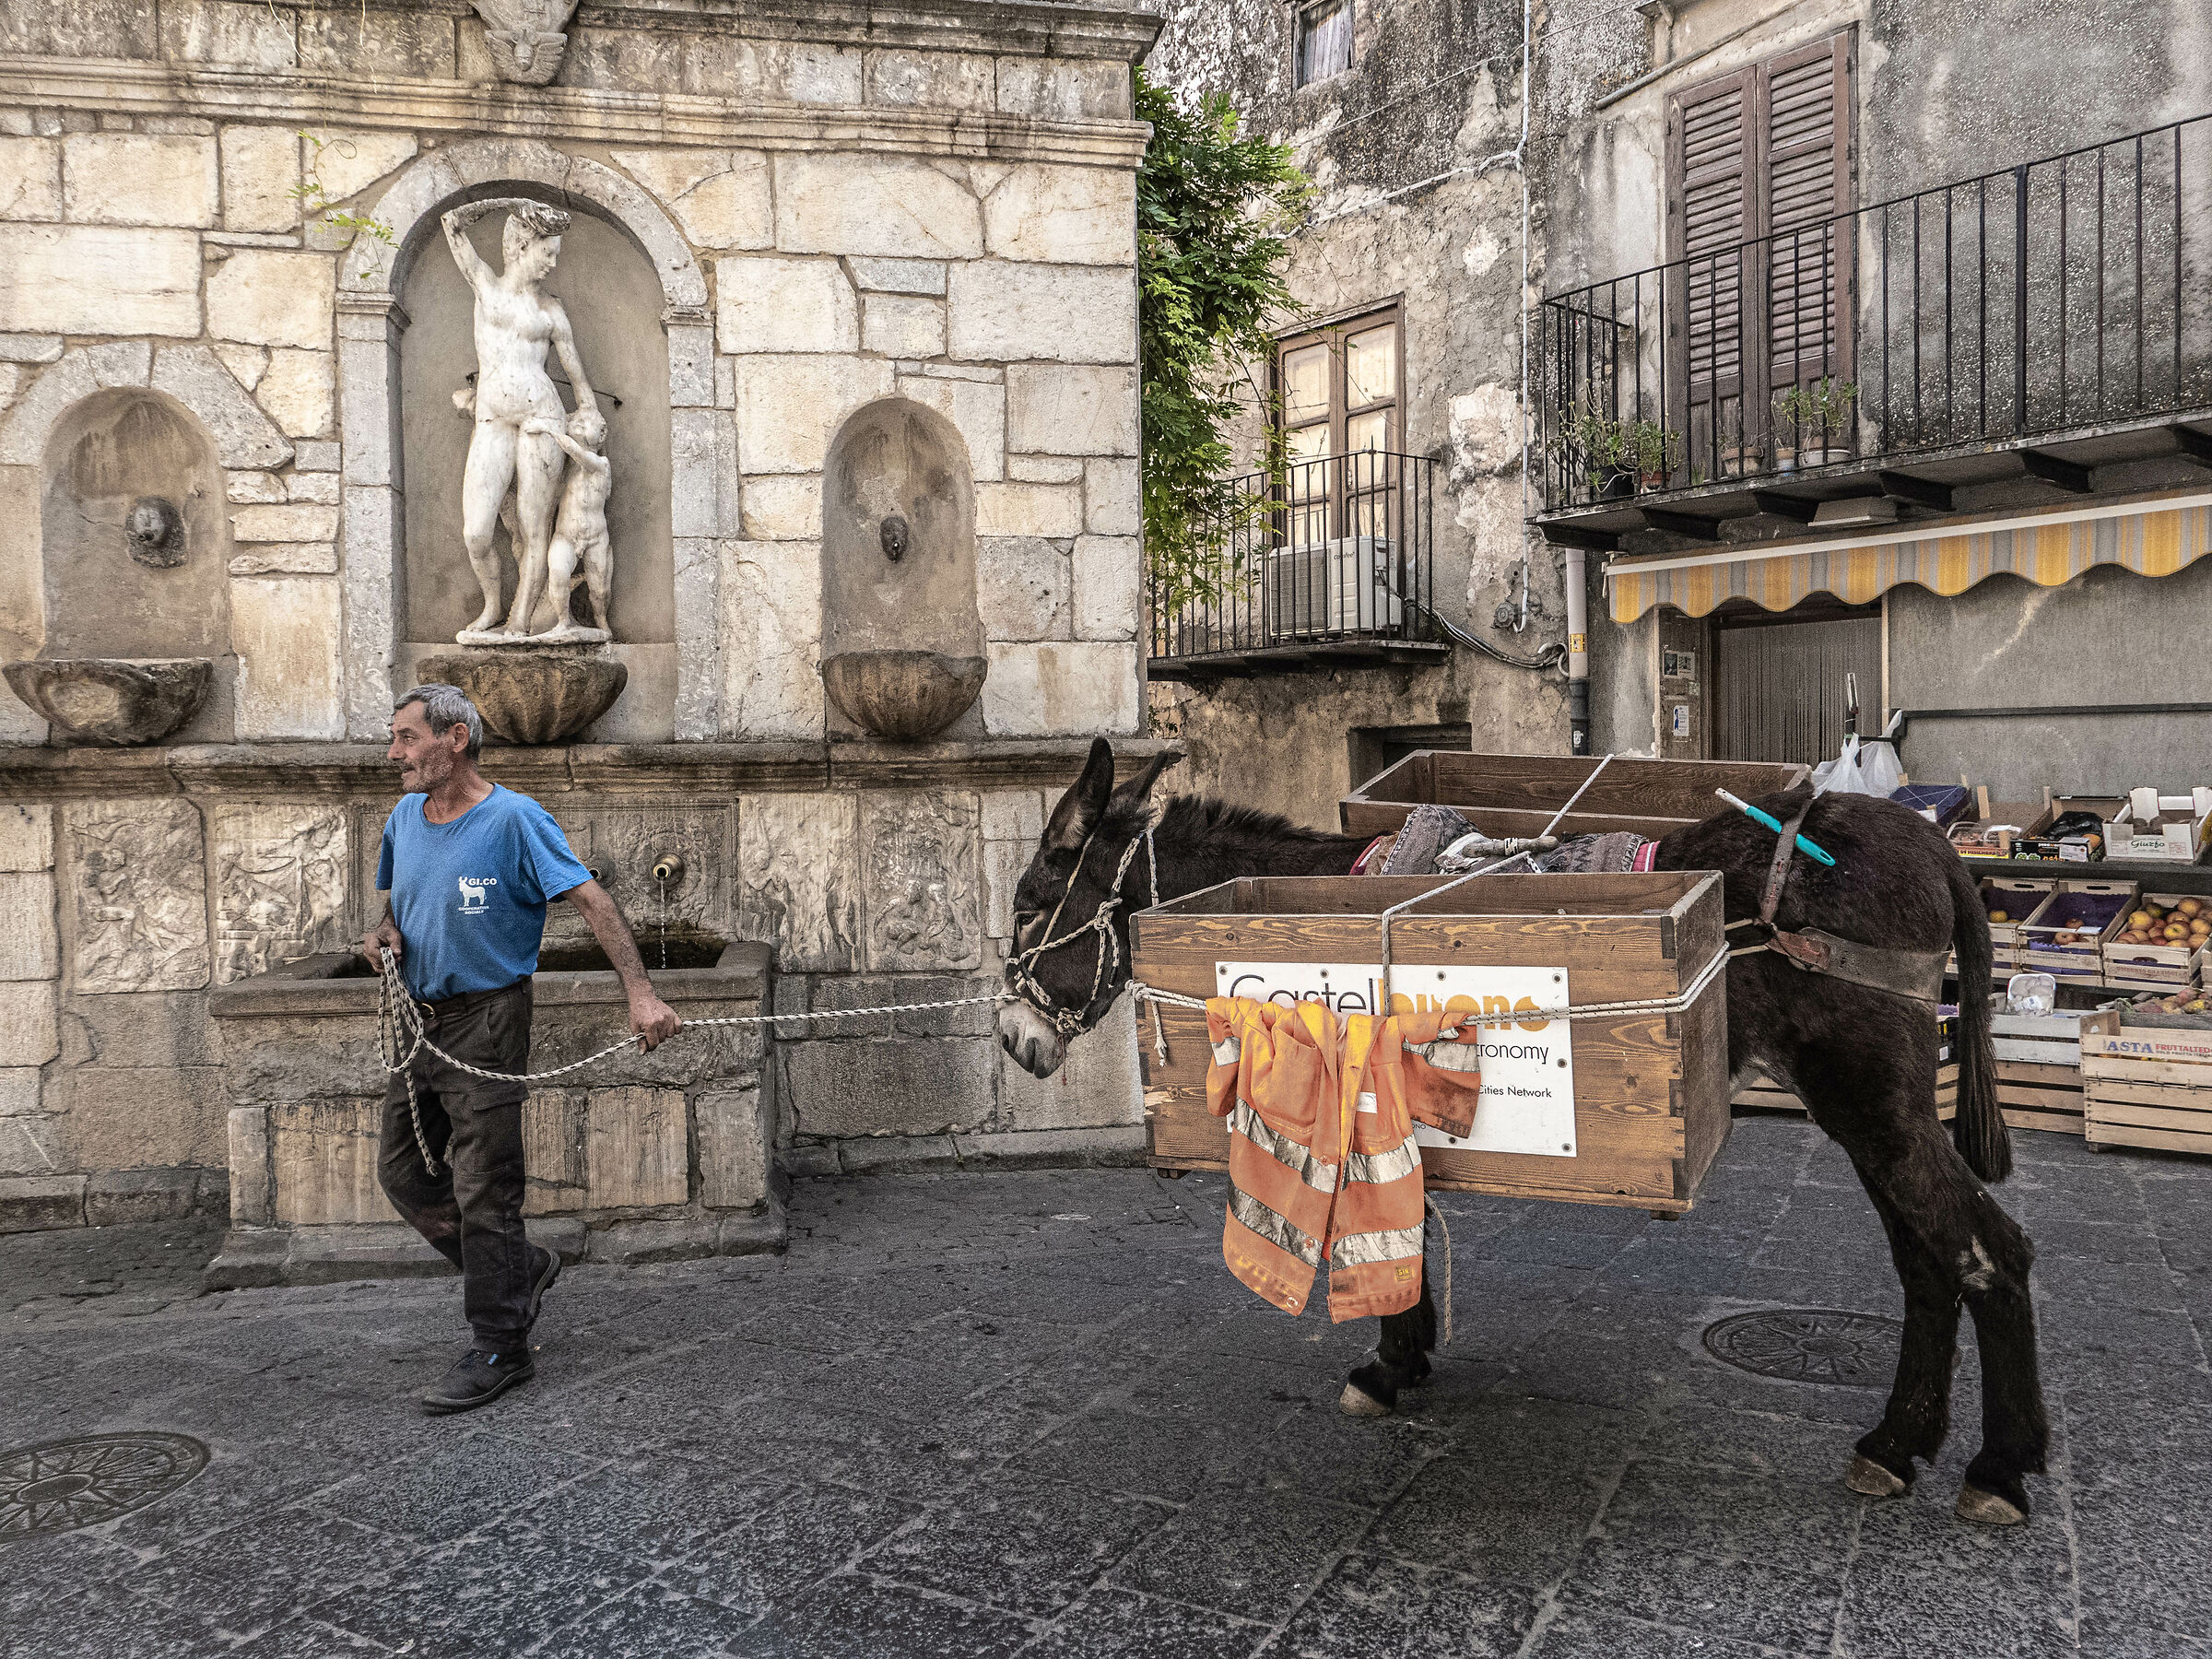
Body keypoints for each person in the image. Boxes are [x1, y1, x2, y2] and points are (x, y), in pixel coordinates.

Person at [364, 683, 680, 1414]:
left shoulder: (515, 819)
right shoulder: (405, 816)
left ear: (456, 739)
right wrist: (383, 933)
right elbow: (394, 899)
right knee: (404, 1174)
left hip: (488, 1019)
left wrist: (641, 994)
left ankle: (501, 1344)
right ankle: (520, 1268)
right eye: (395, 738)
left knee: (485, 1188)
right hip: (418, 1019)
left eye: (406, 738)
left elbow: (593, 901)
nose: (393, 754)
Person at [441, 198, 599, 641]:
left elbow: (574, 370)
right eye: (546, 252)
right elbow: (452, 225)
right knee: (477, 531)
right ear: (520, 246)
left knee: (535, 528)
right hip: (492, 419)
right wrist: (509, 203)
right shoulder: (486, 287)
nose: (552, 262)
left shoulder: (551, 309)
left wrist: (587, 409)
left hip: (541, 418)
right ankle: (493, 605)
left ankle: (520, 621)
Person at [521, 405, 614, 642]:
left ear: (601, 434)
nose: (580, 429)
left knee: (600, 591)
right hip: (566, 535)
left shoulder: (600, 464)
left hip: (595, 537)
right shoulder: (565, 467)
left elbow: (579, 454)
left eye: (586, 425)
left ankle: (601, 622)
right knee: (558, 574)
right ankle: (563, 622)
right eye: (577, 424)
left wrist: (548, 429)